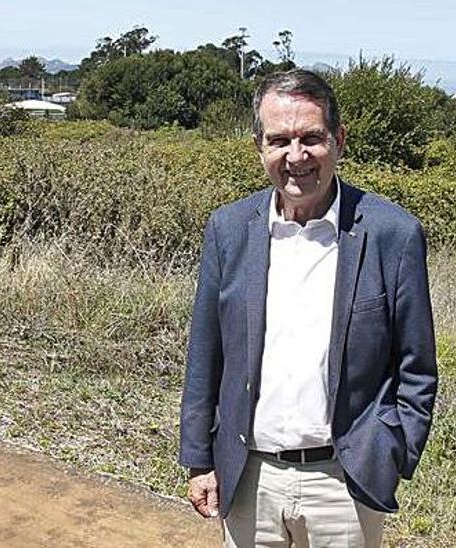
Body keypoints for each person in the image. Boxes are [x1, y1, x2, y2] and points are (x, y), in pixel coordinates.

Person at [178, 69, 437, 547]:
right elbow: (205, 356)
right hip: (249, 478)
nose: (295, 157)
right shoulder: (229, 230)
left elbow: (416, 366)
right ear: (260, 145)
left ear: (338, 139)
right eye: (279, 140)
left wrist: (394, 452)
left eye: (311, 138)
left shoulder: (391, 235)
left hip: (344, 482)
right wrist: (199, 461)